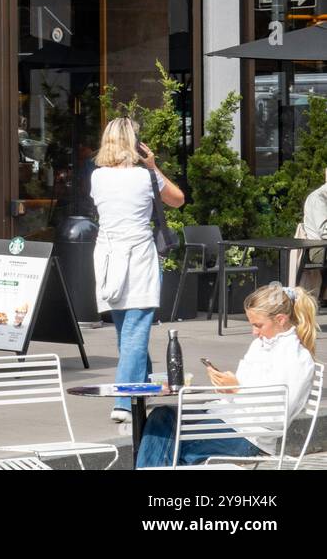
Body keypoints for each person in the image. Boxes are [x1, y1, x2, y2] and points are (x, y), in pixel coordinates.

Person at [137, 283, 319, 468]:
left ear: (280, 319)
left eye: (258, 325)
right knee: (162, 416)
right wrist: (225, 386)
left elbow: (276, 419)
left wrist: (237, 390)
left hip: (249, 436)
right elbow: (240, 390)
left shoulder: (297, 358)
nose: (254, 332)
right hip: (225, 416)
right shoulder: (260, 345)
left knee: (173, 447)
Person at [90, 117, 184, 424]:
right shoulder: (145, 177)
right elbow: (177, 200)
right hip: (139, 256)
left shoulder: (98, 177)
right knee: (135, 331)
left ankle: (140, 391)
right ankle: (123, 401)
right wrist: (154, 166)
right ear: (134, 143)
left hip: (107, 256)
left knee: (126, 332)